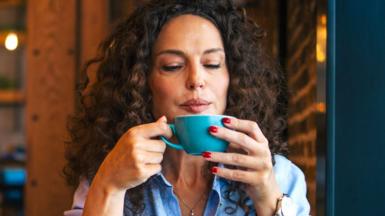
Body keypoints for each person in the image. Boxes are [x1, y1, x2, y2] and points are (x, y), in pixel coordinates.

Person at [64, 0, 310, 215]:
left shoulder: (279, 176)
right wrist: (109, 186)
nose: (196, 80)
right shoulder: (112, 172)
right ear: (141, 81)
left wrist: (268, 198)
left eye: (212, 64)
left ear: (233, 78)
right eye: (172, 66)